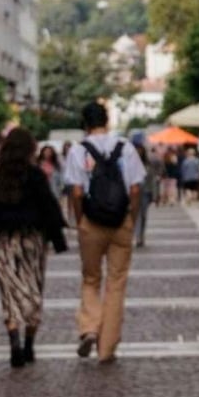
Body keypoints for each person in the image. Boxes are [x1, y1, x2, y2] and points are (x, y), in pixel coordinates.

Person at [0, 128, 68, 367]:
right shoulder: (35, 176)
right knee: (34, 290)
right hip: (32, 241)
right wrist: (58, 240)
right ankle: (29, 346)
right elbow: (49, 208)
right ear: (30, 150)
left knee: (9, 294)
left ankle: (14, 343)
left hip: (4, 241)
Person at [63, 102, 145, 363]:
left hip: (91, 223)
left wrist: (80, 220)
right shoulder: (126, 147)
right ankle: (107, 347)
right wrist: (130, 218)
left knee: (90, 278)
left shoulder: (77, 150)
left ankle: (89, 328)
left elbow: (75, 192)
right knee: (116, 282)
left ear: (84, 124)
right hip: (120, 222)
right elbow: (135, 189)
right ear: (107, 121)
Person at [134, 143, 160, 248]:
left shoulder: (148, 164)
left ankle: (141, 234)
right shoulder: (131, 163)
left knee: (143, 215)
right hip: (134, 193)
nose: (138, 152)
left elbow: (153, 180)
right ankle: (138, 237)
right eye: (137, 150)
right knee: (137, 216)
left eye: (140, 150)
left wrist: (155, 196)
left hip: (146, 193)